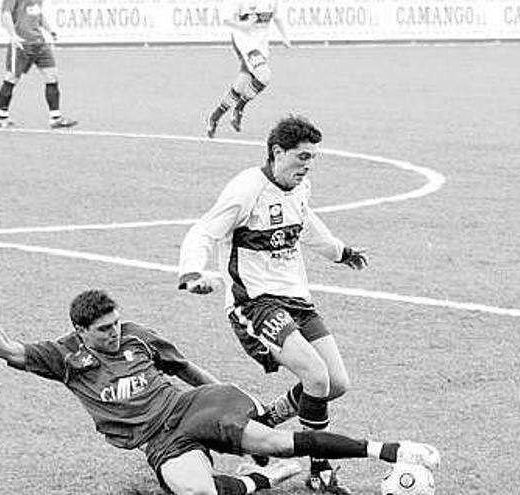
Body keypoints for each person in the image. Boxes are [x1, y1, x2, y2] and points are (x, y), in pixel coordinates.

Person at [0, 265, 439, 495]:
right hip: (157, 441)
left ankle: (391, 451)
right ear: (81, 331)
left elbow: (184, 370)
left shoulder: (138, 336)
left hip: (192, 408)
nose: (116, 334)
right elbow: (5, 350)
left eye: (117, 323)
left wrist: (227, 398)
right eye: (104, 330)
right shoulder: (63, 357)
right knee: (196, 493)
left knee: (272, 437)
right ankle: (267, 476)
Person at [178, 115, 369, 493]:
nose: (308, 165)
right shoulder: (246, 190)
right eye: (301, 157)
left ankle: (263, 423)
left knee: (337, 383)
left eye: (312, 158)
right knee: (315, 376)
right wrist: (192, 272)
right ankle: (320, 468)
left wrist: (339, 252)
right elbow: (203, 231)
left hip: (297, 300)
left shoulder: (301, 186)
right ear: (277, 152)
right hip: (255, 304)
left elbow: (305, 221)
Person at [206, 0, 291, 138]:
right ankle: (239, 109)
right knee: (264, 76)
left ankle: (214, 117)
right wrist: (244, 25)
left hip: (261, 45)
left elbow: (277, 17)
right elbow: (227, 19)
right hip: (244, 41)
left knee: (240, 86)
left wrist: (285, 37)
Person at [0, 0, 77, 129]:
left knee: (52, 77)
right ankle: (2, 117)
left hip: (40, 43)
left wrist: (50, 30)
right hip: (22, 44)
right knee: (11, 79)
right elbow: (6, 15)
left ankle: (55, 118)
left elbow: (38, 15)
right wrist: (13, 36)